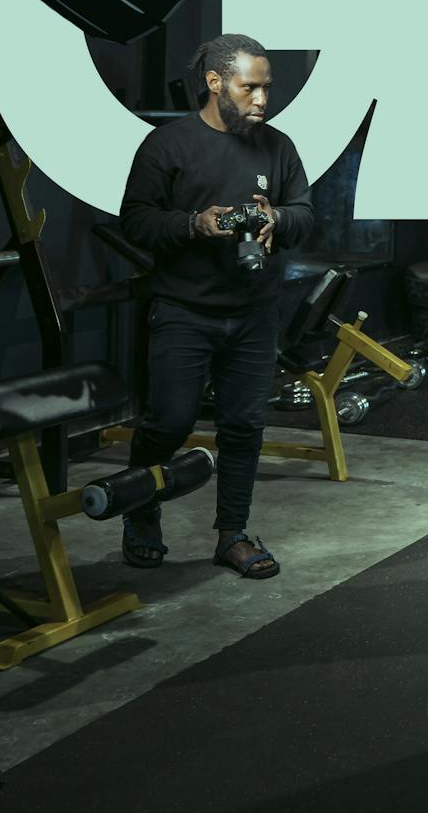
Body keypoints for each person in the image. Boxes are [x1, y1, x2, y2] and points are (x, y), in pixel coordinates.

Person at [118, 34, 313, 580]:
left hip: (254, 312)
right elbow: (134, 219)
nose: (261, 99)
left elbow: (306, 212)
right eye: (249, 87)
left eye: (266, 88)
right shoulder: (168, 145)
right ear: (215, 82)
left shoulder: (278, 147)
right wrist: (193, 224)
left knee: (245, 425)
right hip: (184, 310)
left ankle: (232, 534)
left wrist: (278, 219)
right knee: (170, 421)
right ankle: (141, 511)